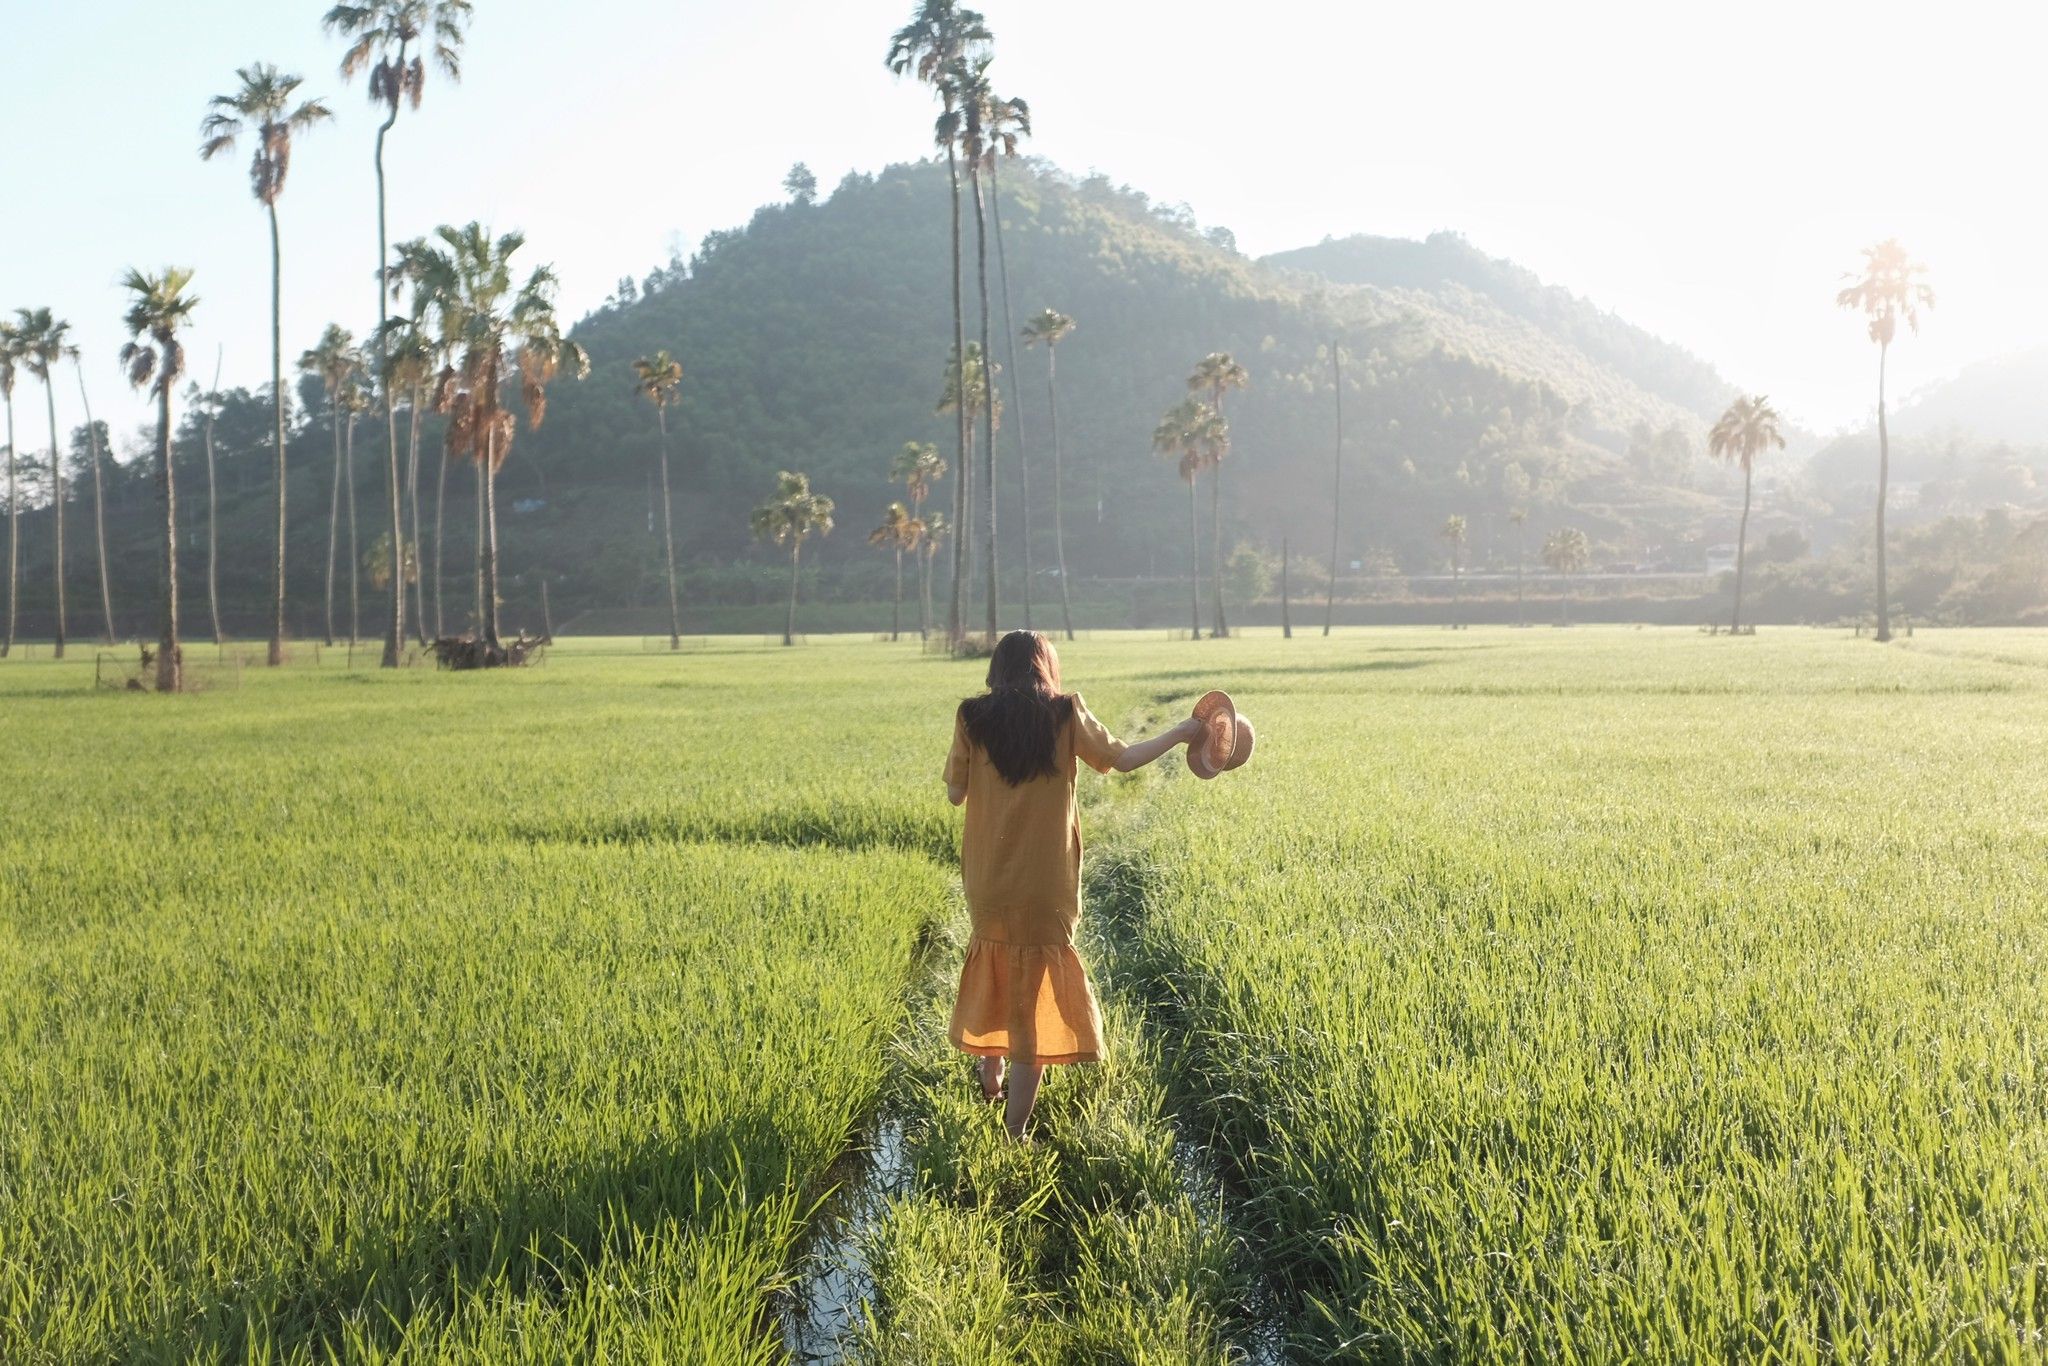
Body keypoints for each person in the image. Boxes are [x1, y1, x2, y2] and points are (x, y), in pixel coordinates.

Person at [943, 630, 1202, 1139]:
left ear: (996, 669)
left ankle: (991, 1075)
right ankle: (1015, 1132)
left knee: (995, 964)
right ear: (1047, 669)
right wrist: (1182, 731)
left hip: (989, 879)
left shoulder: (971, 717)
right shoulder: (1064, 714)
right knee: (1031, 995)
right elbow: (1123, 760)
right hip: (1046, 882)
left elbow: (956, 794)